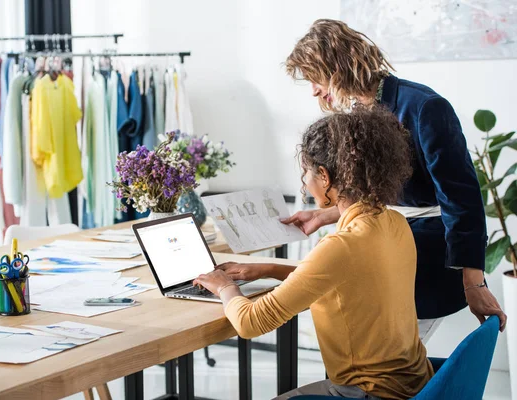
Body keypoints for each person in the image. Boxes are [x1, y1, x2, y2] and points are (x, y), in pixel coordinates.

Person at [281, 19, 506, 330]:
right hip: (387, 241)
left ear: (336, 67)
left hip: (429, 252)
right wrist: (325, 216)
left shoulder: (426, 108)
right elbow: (380, 193)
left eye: (314, 78)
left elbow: (462, 200)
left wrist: (474, 282)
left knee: (393, 354)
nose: (314, 91)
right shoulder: (357, 113)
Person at [194, 108, 433, 399]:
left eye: (306, 171)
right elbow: (346, 281)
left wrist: (225, 287)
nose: (305, 181)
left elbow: (250, 322)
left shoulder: (342, 246)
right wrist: (267, 269)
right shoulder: (394, 222)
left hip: (371, 392)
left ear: (325, 176)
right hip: (416, 384)